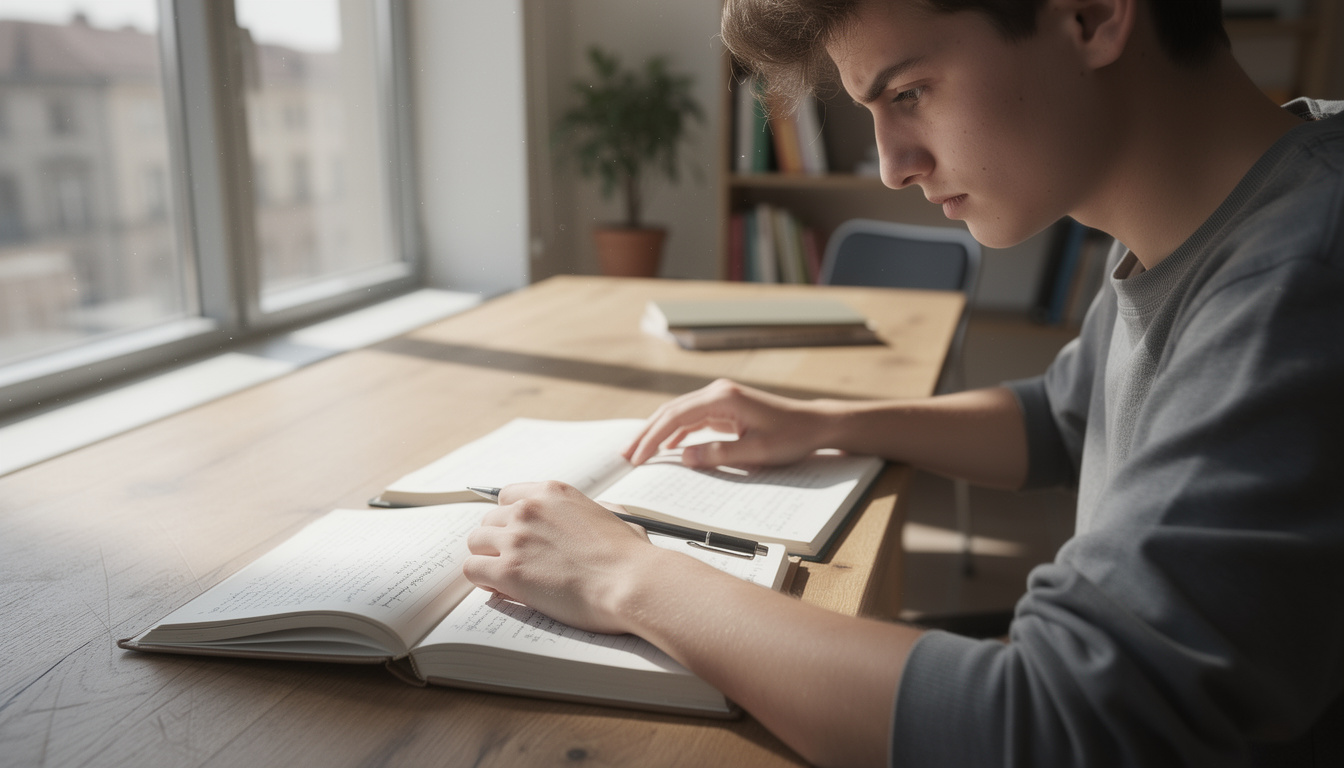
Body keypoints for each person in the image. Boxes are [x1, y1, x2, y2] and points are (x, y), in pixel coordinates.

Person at [463, 0, 1344, 765]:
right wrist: (824, 421)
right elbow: (1065, 416)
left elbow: (1058, 725)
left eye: (910, 92)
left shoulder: (1299, 279)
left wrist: (628, 576)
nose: (891, 165)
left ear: (1091, 16)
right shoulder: (1200, 214)